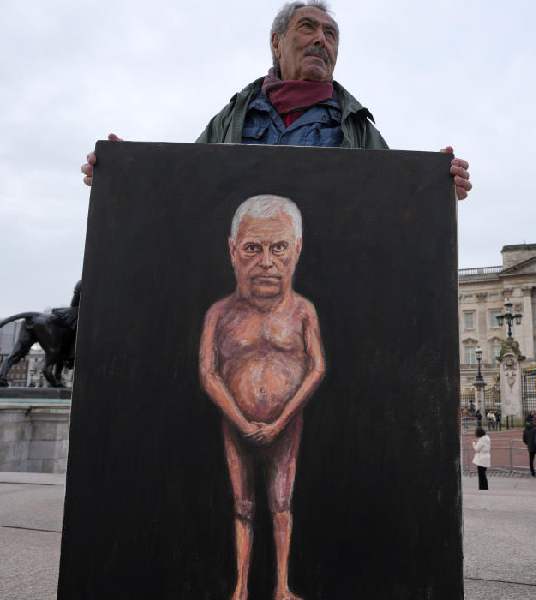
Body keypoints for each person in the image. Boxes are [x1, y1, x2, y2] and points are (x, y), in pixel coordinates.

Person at [80, 2, 472, 201]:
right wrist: (124, 175)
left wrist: (438, 188)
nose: (322, 39)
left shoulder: (356, 127)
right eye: (308, 28)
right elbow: (184, 181)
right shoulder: (233, 117)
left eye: (331, 34)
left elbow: (396, 199)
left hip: (328, 278)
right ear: (276, 41)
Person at [199, 195, 326, 600]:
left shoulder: (303, 311)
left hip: (285, 424)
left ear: (297, 249)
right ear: (233, 249)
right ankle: (239, 588)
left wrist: (280, 420)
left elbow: (316, 368)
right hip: (236, 422)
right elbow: (208, 372)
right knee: (242, 505)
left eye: (279, 248)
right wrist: (241, 420)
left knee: (282, 503)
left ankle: (281, 587)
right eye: (253, 248)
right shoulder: (219, 313)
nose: (267, 261)